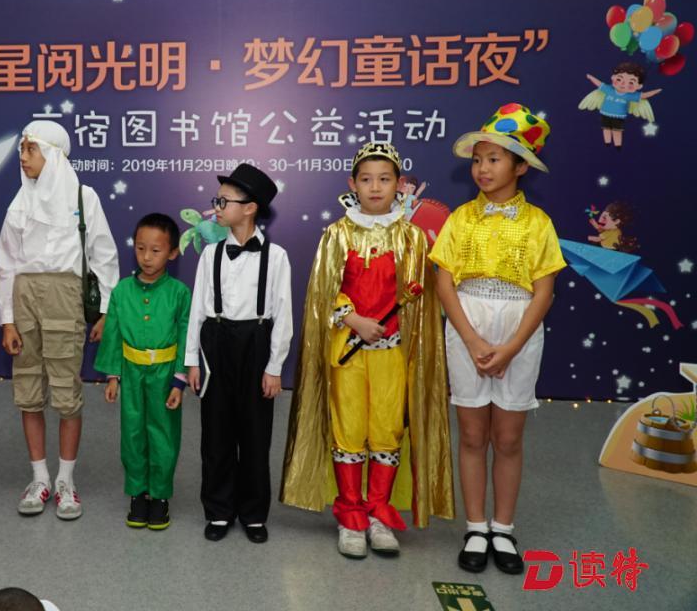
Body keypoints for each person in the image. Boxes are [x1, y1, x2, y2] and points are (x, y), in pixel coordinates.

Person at [279, 141, 452, 559]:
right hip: (348, 350)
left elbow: (421, 303)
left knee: (387, 429)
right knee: (349, 428)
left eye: (385, 179)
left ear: (399, 185)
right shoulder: (337, 235)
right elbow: (322, 293)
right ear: (352, 184)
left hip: (392, 352)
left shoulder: (412, 237)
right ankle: (350, 515)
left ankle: (378, 513)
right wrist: (353, 318)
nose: (375, 188)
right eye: (367, 179)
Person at [430, 104, 565, 575]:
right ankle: (475, 526)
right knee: (471, 434)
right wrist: (470, 339)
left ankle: (503, 528)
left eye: (494, 159)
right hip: (466, 325)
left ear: (520, 167)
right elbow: (444, 282)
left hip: (519, 331)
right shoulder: (461, 218)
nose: (482, 169)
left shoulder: (538, 222)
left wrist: (511, 347)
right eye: (477, 159)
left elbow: (544, 291)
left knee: (507, 438)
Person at [0, 120, 119, 520]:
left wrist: (105, 311)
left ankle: (66, 480)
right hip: (24, 300)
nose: (23, 157)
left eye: (30, 149)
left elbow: (104, 255)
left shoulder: (84, 197)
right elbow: (6, 265)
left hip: (66, 299)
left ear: (51, 154)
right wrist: (8, 320)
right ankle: (40, 478)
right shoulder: (19, 203)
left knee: (67, 393)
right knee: (28, 389)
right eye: (22, 149)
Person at [185, 163, 292, 544]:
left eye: (223, 201)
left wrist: (274, 367)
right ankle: (218, 509)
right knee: (216, 432)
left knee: (255, 433)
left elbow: (283, 315)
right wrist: (193, 360)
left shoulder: (276, 257)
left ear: (249, 208)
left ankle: (253, 512)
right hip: (216, 342)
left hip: (256, 343)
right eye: (217, 200)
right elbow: (197, 310)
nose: (216, 207)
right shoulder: (211, 255)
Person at [95, 213, 191, 530]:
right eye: (140, 248)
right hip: (132, 373)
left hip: (165, 375)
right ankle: (138, 493)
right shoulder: (122, 291)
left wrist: (179, 380)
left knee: (163, 433)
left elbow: (186, 334)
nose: (146, 257)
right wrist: (113, 376)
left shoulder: (179, 293)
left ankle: (160, 495)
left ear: (172, 253)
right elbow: (112, 334)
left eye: (156, 250)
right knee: (133, 432)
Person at [579, 63, 661, 148]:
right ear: (613, 77)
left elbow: (644, 95)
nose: (623, 84)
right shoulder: (609, 89)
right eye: (619, 79)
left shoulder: (630, 95)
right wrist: (590, 77)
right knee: (606, 129)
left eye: (631, 82)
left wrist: (655, 92)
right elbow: (599, 84)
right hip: (605, 114)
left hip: (618, 117)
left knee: (617, 131)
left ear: (639, 86)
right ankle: (607, 143)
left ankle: (618, 145)